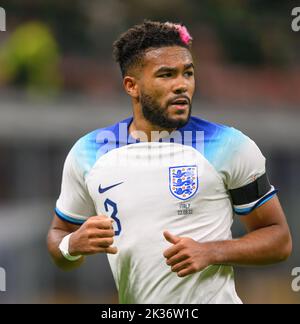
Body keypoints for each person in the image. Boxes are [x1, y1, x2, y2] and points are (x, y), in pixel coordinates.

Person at [47, 20, 292, 304]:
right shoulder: (89, 153)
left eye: (187, 73)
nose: (181, 85)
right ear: (131, 86)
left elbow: (279, 240)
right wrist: (71, 246)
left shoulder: (229, 146)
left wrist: (212, 251)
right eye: (166, 75)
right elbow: (58, 237)